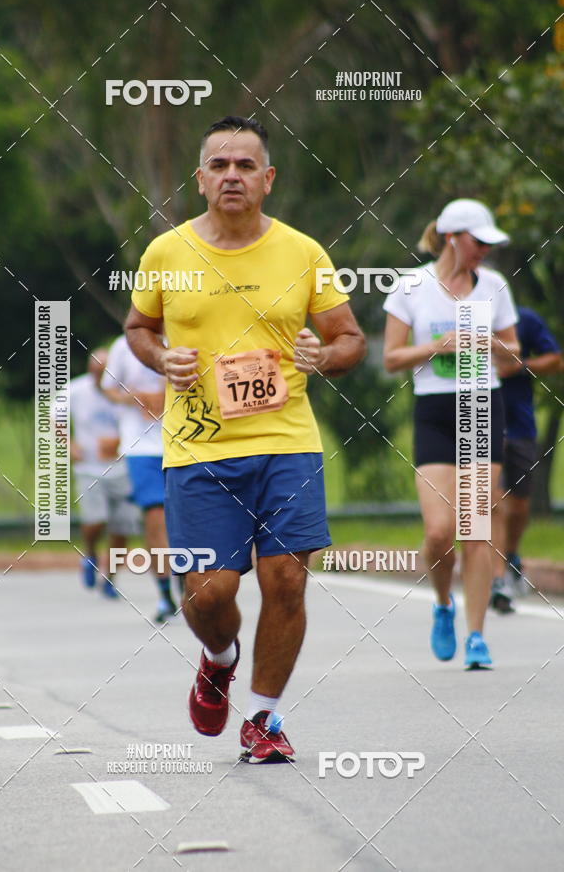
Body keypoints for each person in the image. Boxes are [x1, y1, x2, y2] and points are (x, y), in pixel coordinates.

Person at [124, 116, 366, 763]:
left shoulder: (302, 252)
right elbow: (138, 327)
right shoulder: (167, 253)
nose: (233, 176)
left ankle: (263, 717)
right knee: (210, 593)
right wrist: (161, 357)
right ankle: (219, 657)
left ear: (268, 178)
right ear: (201, 179)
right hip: (200, 449)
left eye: (246, 165)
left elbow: (350, 338)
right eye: (220, 165)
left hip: (288, 443)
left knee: (285, 579)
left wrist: (324, 355)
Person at [383, 198, 519, 669]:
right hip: (435, 412)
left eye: (488, 243)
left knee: (476, 528)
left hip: (482, 405)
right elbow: (391, 358)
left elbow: (514, 357)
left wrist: (491, 343)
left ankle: (476, 636)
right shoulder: (411, 286)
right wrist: (438, 345)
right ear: (451, 238)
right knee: (440, 532)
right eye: (477, 241)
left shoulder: (495, 286)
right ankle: (443, 604)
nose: (484, 250)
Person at [490, 307, 561, 612]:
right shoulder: (463, 319)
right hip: (479, 422)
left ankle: (511, 556)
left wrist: (521, 367)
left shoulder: (524, 320)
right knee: (492, 502)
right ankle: (497, 578)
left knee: (519, 505)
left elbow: (555, 360)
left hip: (519, 425)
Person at [101, 333, 177, 622]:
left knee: (185, 517)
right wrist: (134, 398)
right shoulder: (124, 345)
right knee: (154, 516)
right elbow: (109, 388)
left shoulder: (185, 332)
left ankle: (188, 582)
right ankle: (165, 594)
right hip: (141, 448)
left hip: (184, 443)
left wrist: (169, 395)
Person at [69, 348, 140, 598]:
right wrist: (69, 445)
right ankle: (90, 554)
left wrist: (121, 441)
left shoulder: (127, 392)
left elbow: (148, 421)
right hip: (89, 468)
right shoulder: (76, 390)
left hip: (123, 469)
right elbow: (52, 417)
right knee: (96, 519)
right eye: (95, 372)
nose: (98, 378)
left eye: (104, 373)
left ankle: (110, 578)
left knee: (122, 527)